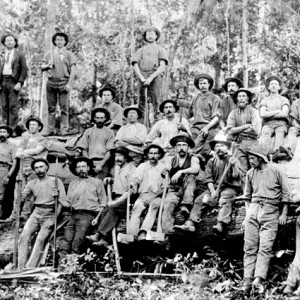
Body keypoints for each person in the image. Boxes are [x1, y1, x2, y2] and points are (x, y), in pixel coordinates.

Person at [241, 145, 290, 291]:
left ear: (261, 158)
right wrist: (247, 214)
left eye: (252, 158)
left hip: (270, 210)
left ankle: (258, 278)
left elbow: (286, 193)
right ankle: (247, 279)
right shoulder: (250, 173)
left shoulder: (276, 170)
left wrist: (284, 213)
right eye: (249, 158)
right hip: (253, 209)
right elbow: (247, 196)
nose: (250, 161)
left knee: (265, 247)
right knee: (249, 246)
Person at [176, 136, 242, 234]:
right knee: (199, 200)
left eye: (222, 146)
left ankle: (221, 224)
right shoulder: (211, 162)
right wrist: (213, 192)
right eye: (217, 146)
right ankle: (190, 223)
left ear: (227, 148)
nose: (219, 148)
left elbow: (236, 176)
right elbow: (208, 179)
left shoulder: (233, 160)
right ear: (214, 149)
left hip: (229, 187)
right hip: (215, 188)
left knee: (225, 199)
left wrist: (234, 166)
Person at [139, 133, 199, 240]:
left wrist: (181, 171)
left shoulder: (193, 158)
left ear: (188, 147)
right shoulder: (171, 159)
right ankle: (167, 234)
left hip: (188, 188)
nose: (181, 148)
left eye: (184, 145)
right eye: (179, 145)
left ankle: (185, 205)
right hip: (174, 189)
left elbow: (196, 169)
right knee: (167, 205)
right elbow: (166, 167)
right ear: (175, 148)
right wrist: (166, 171)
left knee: (191, 177)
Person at [18, 158, 68, 269]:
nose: (39, 170)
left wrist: (54, 218)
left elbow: (62, 203)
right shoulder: (32, 183)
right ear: (34, 170)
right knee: (24, 235)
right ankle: (20, 267)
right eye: (36, 168)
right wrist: (19, 187)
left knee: (40, 239)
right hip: (36, 213)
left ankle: (30, 268)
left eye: (41, 167)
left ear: (46, 167)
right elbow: (22, 198)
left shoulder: (55, 181)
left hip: (50, 213)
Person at [86, 146, 136, 247]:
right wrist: (111, 179)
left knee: (113, 208)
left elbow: (132, 190)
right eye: (116, 156)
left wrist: (116, 201)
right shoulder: (117, 167)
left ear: (126, 158)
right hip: (116, 198)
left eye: (120, 156)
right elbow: (120, 180)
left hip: (128, 199)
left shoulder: (132, 169)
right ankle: (104, 240)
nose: (117, 158)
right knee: (104, 211)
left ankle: (98, 234)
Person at [2, 116, 48, 223]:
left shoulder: (42, 139)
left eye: (34, 125)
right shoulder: (25, 139)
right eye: (30, 125)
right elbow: (18, 152)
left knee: (31, 192)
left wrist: (23, 152)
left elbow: (37, 151)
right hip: (23, 167)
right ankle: (14, 215)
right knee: (18, 192)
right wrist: (22, 152)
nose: (32, 127)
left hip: (35, 168)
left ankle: (24, 215)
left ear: (39, 127)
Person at [59, 157, 107, 260]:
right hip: (73, 215)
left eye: (83, 166)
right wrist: (57, 197)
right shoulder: (73, 184)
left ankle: (73, 269)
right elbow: (68, 203)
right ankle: (61, 269)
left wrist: (97, 218)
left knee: (77, 242)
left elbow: (103, 203)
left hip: (88, 216)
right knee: (66, 242)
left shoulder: (97, 182)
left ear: (88, 168)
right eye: (78, 167)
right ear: (76, 170)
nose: (81, 169)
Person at [177, 74, 222, 159]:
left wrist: (207, 127)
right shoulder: (196, 98)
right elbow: (189, 115)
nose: (202, 86)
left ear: (209, 84)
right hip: (196, 127)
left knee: (200, 144)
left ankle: (201, 156)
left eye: (205, 83)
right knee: (187, 140)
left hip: (210, 126)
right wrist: (182, 125)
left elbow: (216, 117)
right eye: (200, 84)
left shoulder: (215, 98)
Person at [127, 144, 165, 239]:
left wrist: (153, 197)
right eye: (151, 153)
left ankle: (143, 232)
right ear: (147, 155)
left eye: (155, 153)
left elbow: (165, 187)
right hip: (143, 195)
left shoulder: (163, 168)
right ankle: (131, 235)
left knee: (154, 205)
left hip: (157, 195)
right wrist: (133, 183)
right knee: (137, 207)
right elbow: (137, 177)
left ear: (159, 155)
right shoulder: (143, 166)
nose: (153, 156)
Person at [42, 32, 76, 136]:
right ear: (54, 41)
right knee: (51, 108)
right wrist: (48, 65)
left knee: (64, 108)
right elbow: (42, 67)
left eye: (62, 39)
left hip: (64, 82)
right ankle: (50, 129)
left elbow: (73, 70)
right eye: (57, 39)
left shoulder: (69, 54)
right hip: (51, 82)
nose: (59, 42)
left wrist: (69, 84)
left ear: (65, 41)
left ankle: (64, 129)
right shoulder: (49, 53)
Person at [131, 27, 168, 121]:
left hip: (155, 76)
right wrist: (142, 78)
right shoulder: (140, 50)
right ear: (145, 36)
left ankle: (157, 126)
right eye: (148, 34)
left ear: (156, 36)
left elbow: (162, 67)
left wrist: (151, 78)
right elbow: (135, 64)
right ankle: (141, 126)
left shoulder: (161, 50)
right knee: (141, 103)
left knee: (157, 102)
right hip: (142, 76)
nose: (150, 36)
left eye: (152, 34)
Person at [226, 88, 261, 185]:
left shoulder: (254, 111)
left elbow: (256, 130)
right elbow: (230, 130)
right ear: (236, 99)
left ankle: (257, 193)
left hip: (252, 143)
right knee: (241, 169)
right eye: (239, 96)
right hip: (239, 144)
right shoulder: (233, 113)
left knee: (255, 168)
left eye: (243, 96)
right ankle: (245, 194)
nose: (241, 98)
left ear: (248, 99)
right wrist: (246, 126)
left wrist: (238, 129)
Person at [75, 108, 115, 180]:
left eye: (102, 118)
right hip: (89, 162)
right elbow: (84, 148)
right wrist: (88, 163)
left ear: (105, 118)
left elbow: (110, 151)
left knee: (98, 183)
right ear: (94, 118)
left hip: (103, 163)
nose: (99, 120)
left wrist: (100, 165)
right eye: (97, 118)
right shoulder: (88, 131)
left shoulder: (109, 132)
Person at [0, 33, 28, 133]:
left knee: (13, 106)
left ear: (15, 42)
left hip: (13, 81)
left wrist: (20, 82)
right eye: (7, 40)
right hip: (2, 81)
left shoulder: (19, 54)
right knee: (4, 106)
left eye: (12, 40)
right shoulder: (1, 54)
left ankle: (12, 129)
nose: (9, 42)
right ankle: (3, 129)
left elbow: (24, 69)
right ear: (4, 42)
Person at [259, 75, 290, 155]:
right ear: (268, 87)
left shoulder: (284, 99)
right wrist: (277, 111)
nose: (273, 85)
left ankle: (277, 153)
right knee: (265, 133)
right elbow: (262, 114)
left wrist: (268, 114)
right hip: (267, 124)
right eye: (271, 84)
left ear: (279, 87)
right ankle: (264, 155)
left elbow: (284, 114)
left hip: (281, 124)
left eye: (275, 84)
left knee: (280, 133)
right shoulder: (265, 100)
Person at [0, 125, 17, 218]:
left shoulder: (12, 146)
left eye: (4, 132)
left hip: (3, 169)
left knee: (1, 195)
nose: (1, 134)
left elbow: (14, 162)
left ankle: (1, 216)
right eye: (0, 132)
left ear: (8, 134)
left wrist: (8, 175)